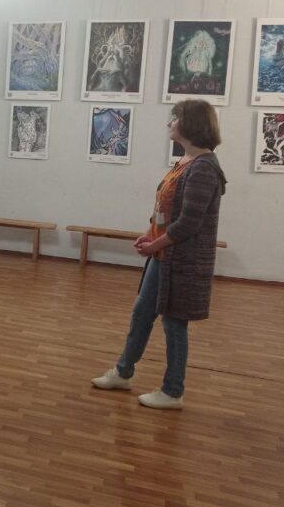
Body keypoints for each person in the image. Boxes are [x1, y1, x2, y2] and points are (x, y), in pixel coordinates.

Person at [91, 99, 227, 409]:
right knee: (142, 313)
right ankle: (123, 372)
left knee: (174, 324)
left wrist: (155, 244)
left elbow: (189, 223)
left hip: (183, 261)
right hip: (165, 255)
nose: (169, 123)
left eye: (175, 118)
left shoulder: (204, 169)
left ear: (191, 124)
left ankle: (172, 391)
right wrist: (150, 234)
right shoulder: (185, 162)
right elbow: (166, 210)